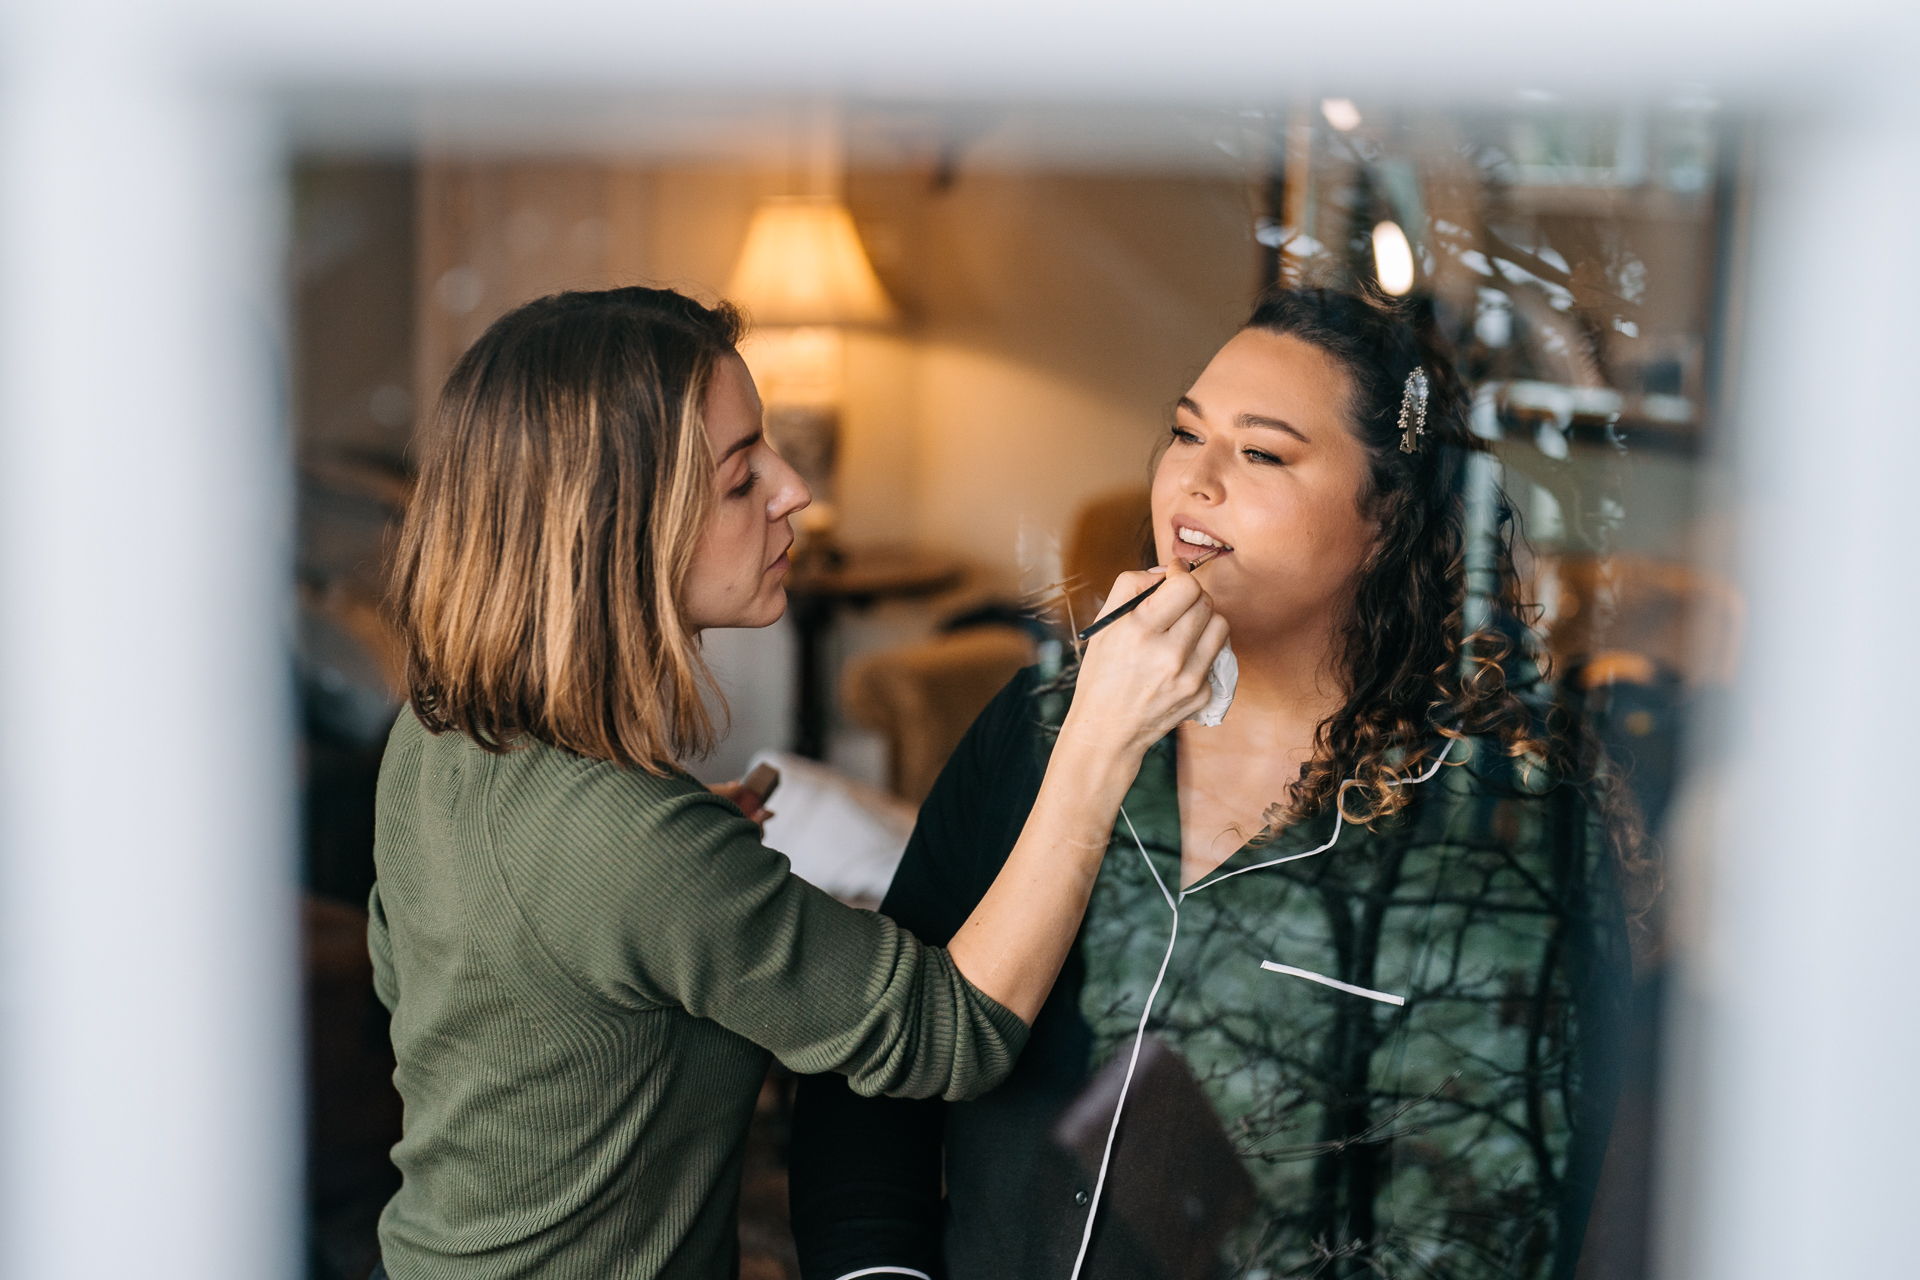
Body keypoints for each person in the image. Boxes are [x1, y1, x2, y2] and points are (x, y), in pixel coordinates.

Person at [368, 286, 1229, 1280]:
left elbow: (431, 975)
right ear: (617, 527)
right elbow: (950, 1032)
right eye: (742, 479)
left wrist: (668, 908)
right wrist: (1100, 739)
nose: (793, 490)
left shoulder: (433, 737)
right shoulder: (638, 848)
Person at [788, 287, 1636, 1280]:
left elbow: (1496, 1223)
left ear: (1385, 519)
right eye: (1184, 433)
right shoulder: (1036, 729)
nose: (1196, 479)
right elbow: (878, 1070)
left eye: (1263, 451)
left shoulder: (1501, 828)